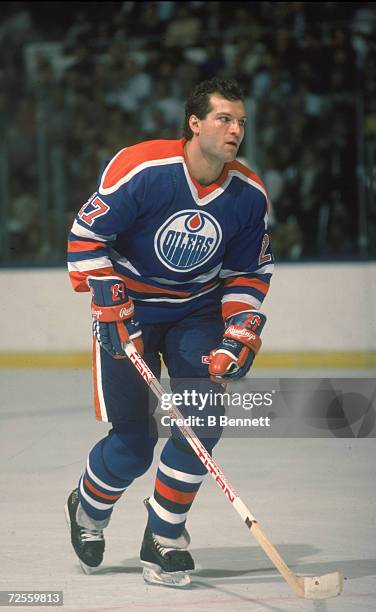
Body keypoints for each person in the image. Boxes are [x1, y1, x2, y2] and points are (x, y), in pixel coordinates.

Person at [65, 77, 274, 587]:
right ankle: (89, 507)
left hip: (195, 315)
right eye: (224, 119)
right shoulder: (142, 168)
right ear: (195, 122)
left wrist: (237, 331)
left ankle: (164, 536)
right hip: (130, 310)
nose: (235, 130)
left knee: (202, 424)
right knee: (134, 443)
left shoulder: (248, 195)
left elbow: (247, 274)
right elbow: (86, 238)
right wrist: (109, 297)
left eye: (241, 121)